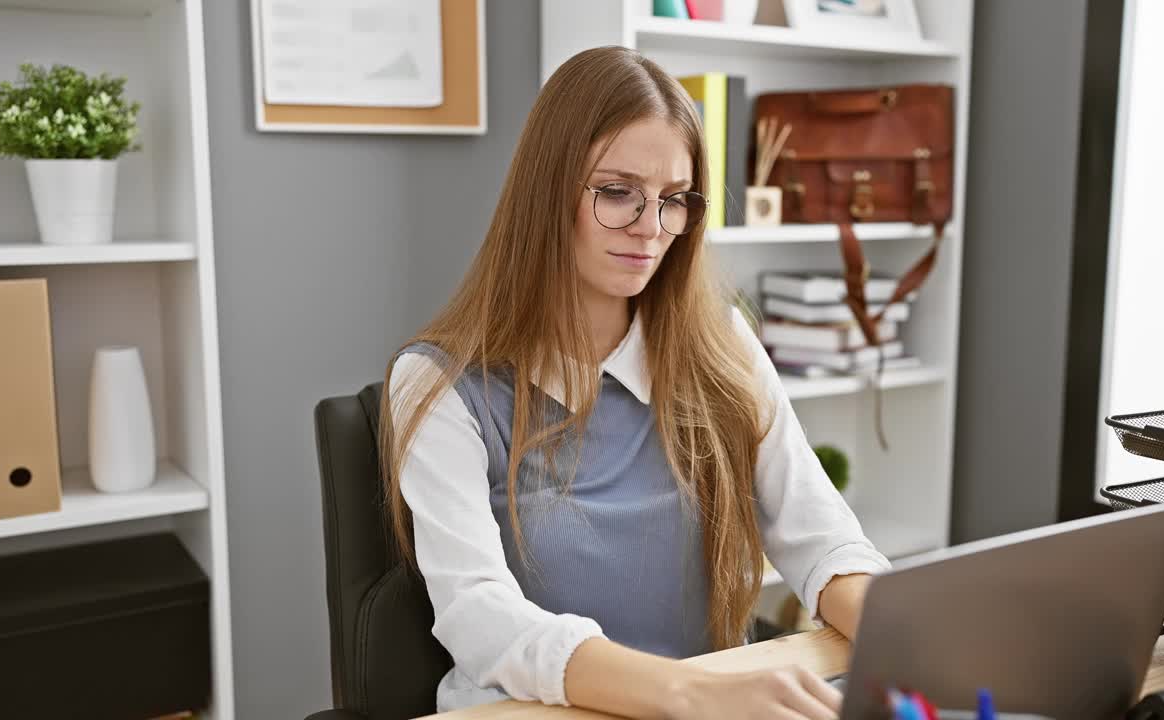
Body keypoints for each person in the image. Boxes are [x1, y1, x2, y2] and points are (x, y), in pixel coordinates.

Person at [379, 45, 889, 719]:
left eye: (673, 199)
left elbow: (822, 539)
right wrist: (690, 693)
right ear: (549, 188)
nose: (651, 229)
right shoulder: (436, 383)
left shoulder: (722, 346)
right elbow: (482, 618)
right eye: (617, 192)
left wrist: (912, 635)